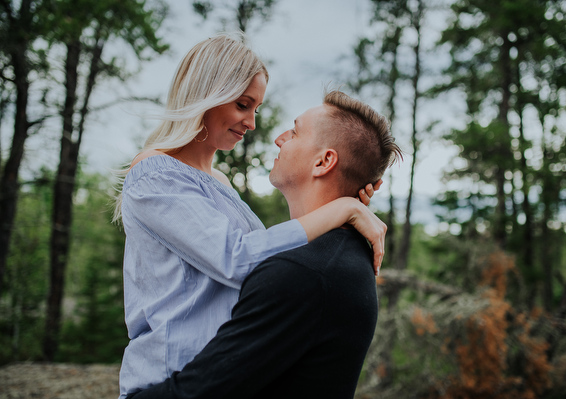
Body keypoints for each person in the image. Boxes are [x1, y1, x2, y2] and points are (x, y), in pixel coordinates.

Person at [115, 34, 386, 399]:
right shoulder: (156, 174)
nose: (253, 123)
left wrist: (345, 201)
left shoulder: (220, 183)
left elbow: (267, 265)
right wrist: (342, 209)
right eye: (244, 105)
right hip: (169, 382)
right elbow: (237, 258)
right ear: (207, 93)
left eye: (255, 108)